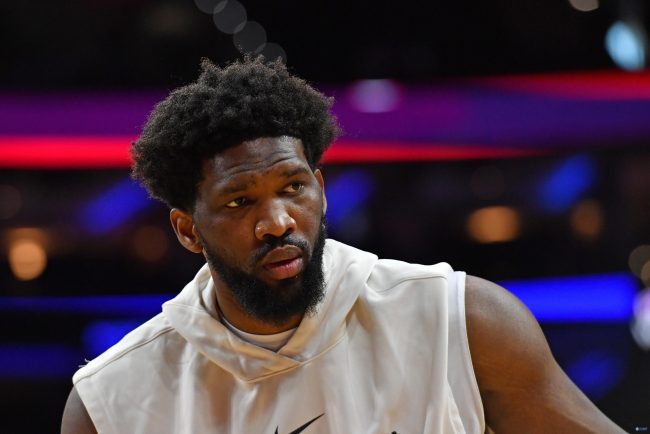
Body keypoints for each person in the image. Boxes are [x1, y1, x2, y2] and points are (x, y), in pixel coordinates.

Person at [61, 57, 625, 434]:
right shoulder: (110, 401)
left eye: (292, 187)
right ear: (187, 229)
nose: (277, 222)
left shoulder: (464, 320)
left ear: (321, 188)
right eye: (239, 201)